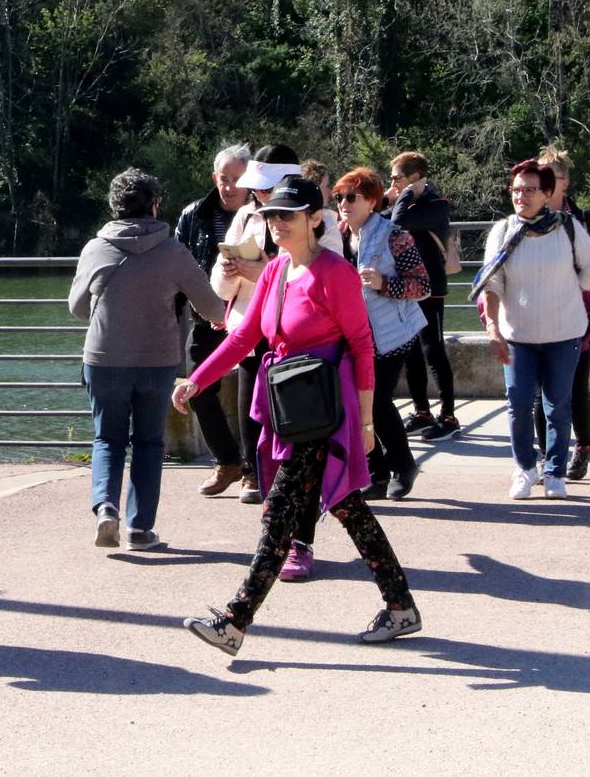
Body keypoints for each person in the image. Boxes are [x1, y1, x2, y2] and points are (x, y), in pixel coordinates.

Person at [175, 177, 420, 656]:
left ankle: (234, 620)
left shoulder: (335, 273)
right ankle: (401, 608)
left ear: (315, 218)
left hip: (327, 410)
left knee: (279, 512)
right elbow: (245, 338)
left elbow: (363, 346)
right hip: (293, 407)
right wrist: (197, 379)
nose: (277, 223)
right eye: (271, 215)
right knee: (349, 506)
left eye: (287, 215)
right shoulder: (274, 271)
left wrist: (367, 423)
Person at [71, 169, 227, 550]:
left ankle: (105, 507)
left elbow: (76, 308)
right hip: (157, 362)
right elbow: (209, 306)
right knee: (148, 443)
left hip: (104, 358)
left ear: (114, 206)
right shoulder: (173, 250)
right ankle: (140, 529)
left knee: (107, 438)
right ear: (155, 206)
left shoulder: (96, 247)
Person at [472, 159, 590, 500]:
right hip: (518, 337)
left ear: (547, 194)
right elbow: (492, 283)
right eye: (516, 190)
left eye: (530, 190)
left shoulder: (567, 227)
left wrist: (570, 285)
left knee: (558, 406)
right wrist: (493, 328)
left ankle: (555, 473)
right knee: (518, 405)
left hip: (564, 335)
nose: (521, 196)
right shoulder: (503, 231)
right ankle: (524, 469)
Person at [210, 144, 340, 504]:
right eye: (258, 188)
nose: (260, 195)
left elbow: (327, 277)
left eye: (267, 186)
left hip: (300, 340)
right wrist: (227, 271)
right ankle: (255, 477)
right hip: (251, 331)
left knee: (300, 422)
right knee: (251, 410)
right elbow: (221, 290)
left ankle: (309, 490)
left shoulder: (321, 221)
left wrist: (265, 270)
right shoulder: (246, 217)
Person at [334, 168, 430, 505]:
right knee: (360, 404)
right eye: (339, 198)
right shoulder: (337, 236)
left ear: (372, 201)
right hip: (355, 337)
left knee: (374, 401)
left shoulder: (394, 236)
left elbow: (423, 286)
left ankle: (403, 467)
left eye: (351, 197)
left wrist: (383, 284)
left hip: (393, 335)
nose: (343, 204)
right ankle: (376, 475)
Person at [531, 146, 590, 479]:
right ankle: (545, 455)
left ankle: (583, 447)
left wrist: (587, 282)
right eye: (538, 176)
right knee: (542, 391)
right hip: (540, 315)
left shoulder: (582, 219)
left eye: (550, 177)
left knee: (575, 387)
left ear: (565, 182)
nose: (542, 183)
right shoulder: (527, 219)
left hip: (580, 315)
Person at [174, 144, 251, 497]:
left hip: (252, 319)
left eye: (237, 179)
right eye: (224, 179)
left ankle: (254, 469)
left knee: (252, 398)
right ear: (214, 178)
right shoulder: (194, 214)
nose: (230, 187)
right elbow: (178, 268)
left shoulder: (264, 214)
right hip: (206, 317)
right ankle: (228, 461)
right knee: (198, 388)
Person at [387, 152, 460, 442]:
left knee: (433, 350)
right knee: (411, 351)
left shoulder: (437, 205)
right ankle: (421, 412)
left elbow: (399, 220)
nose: (390, 184)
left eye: (396, 178)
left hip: (431, 289)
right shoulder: (412, 202)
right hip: (408, 287)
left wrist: (403, 195)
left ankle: (449, 416)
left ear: (415, 178)